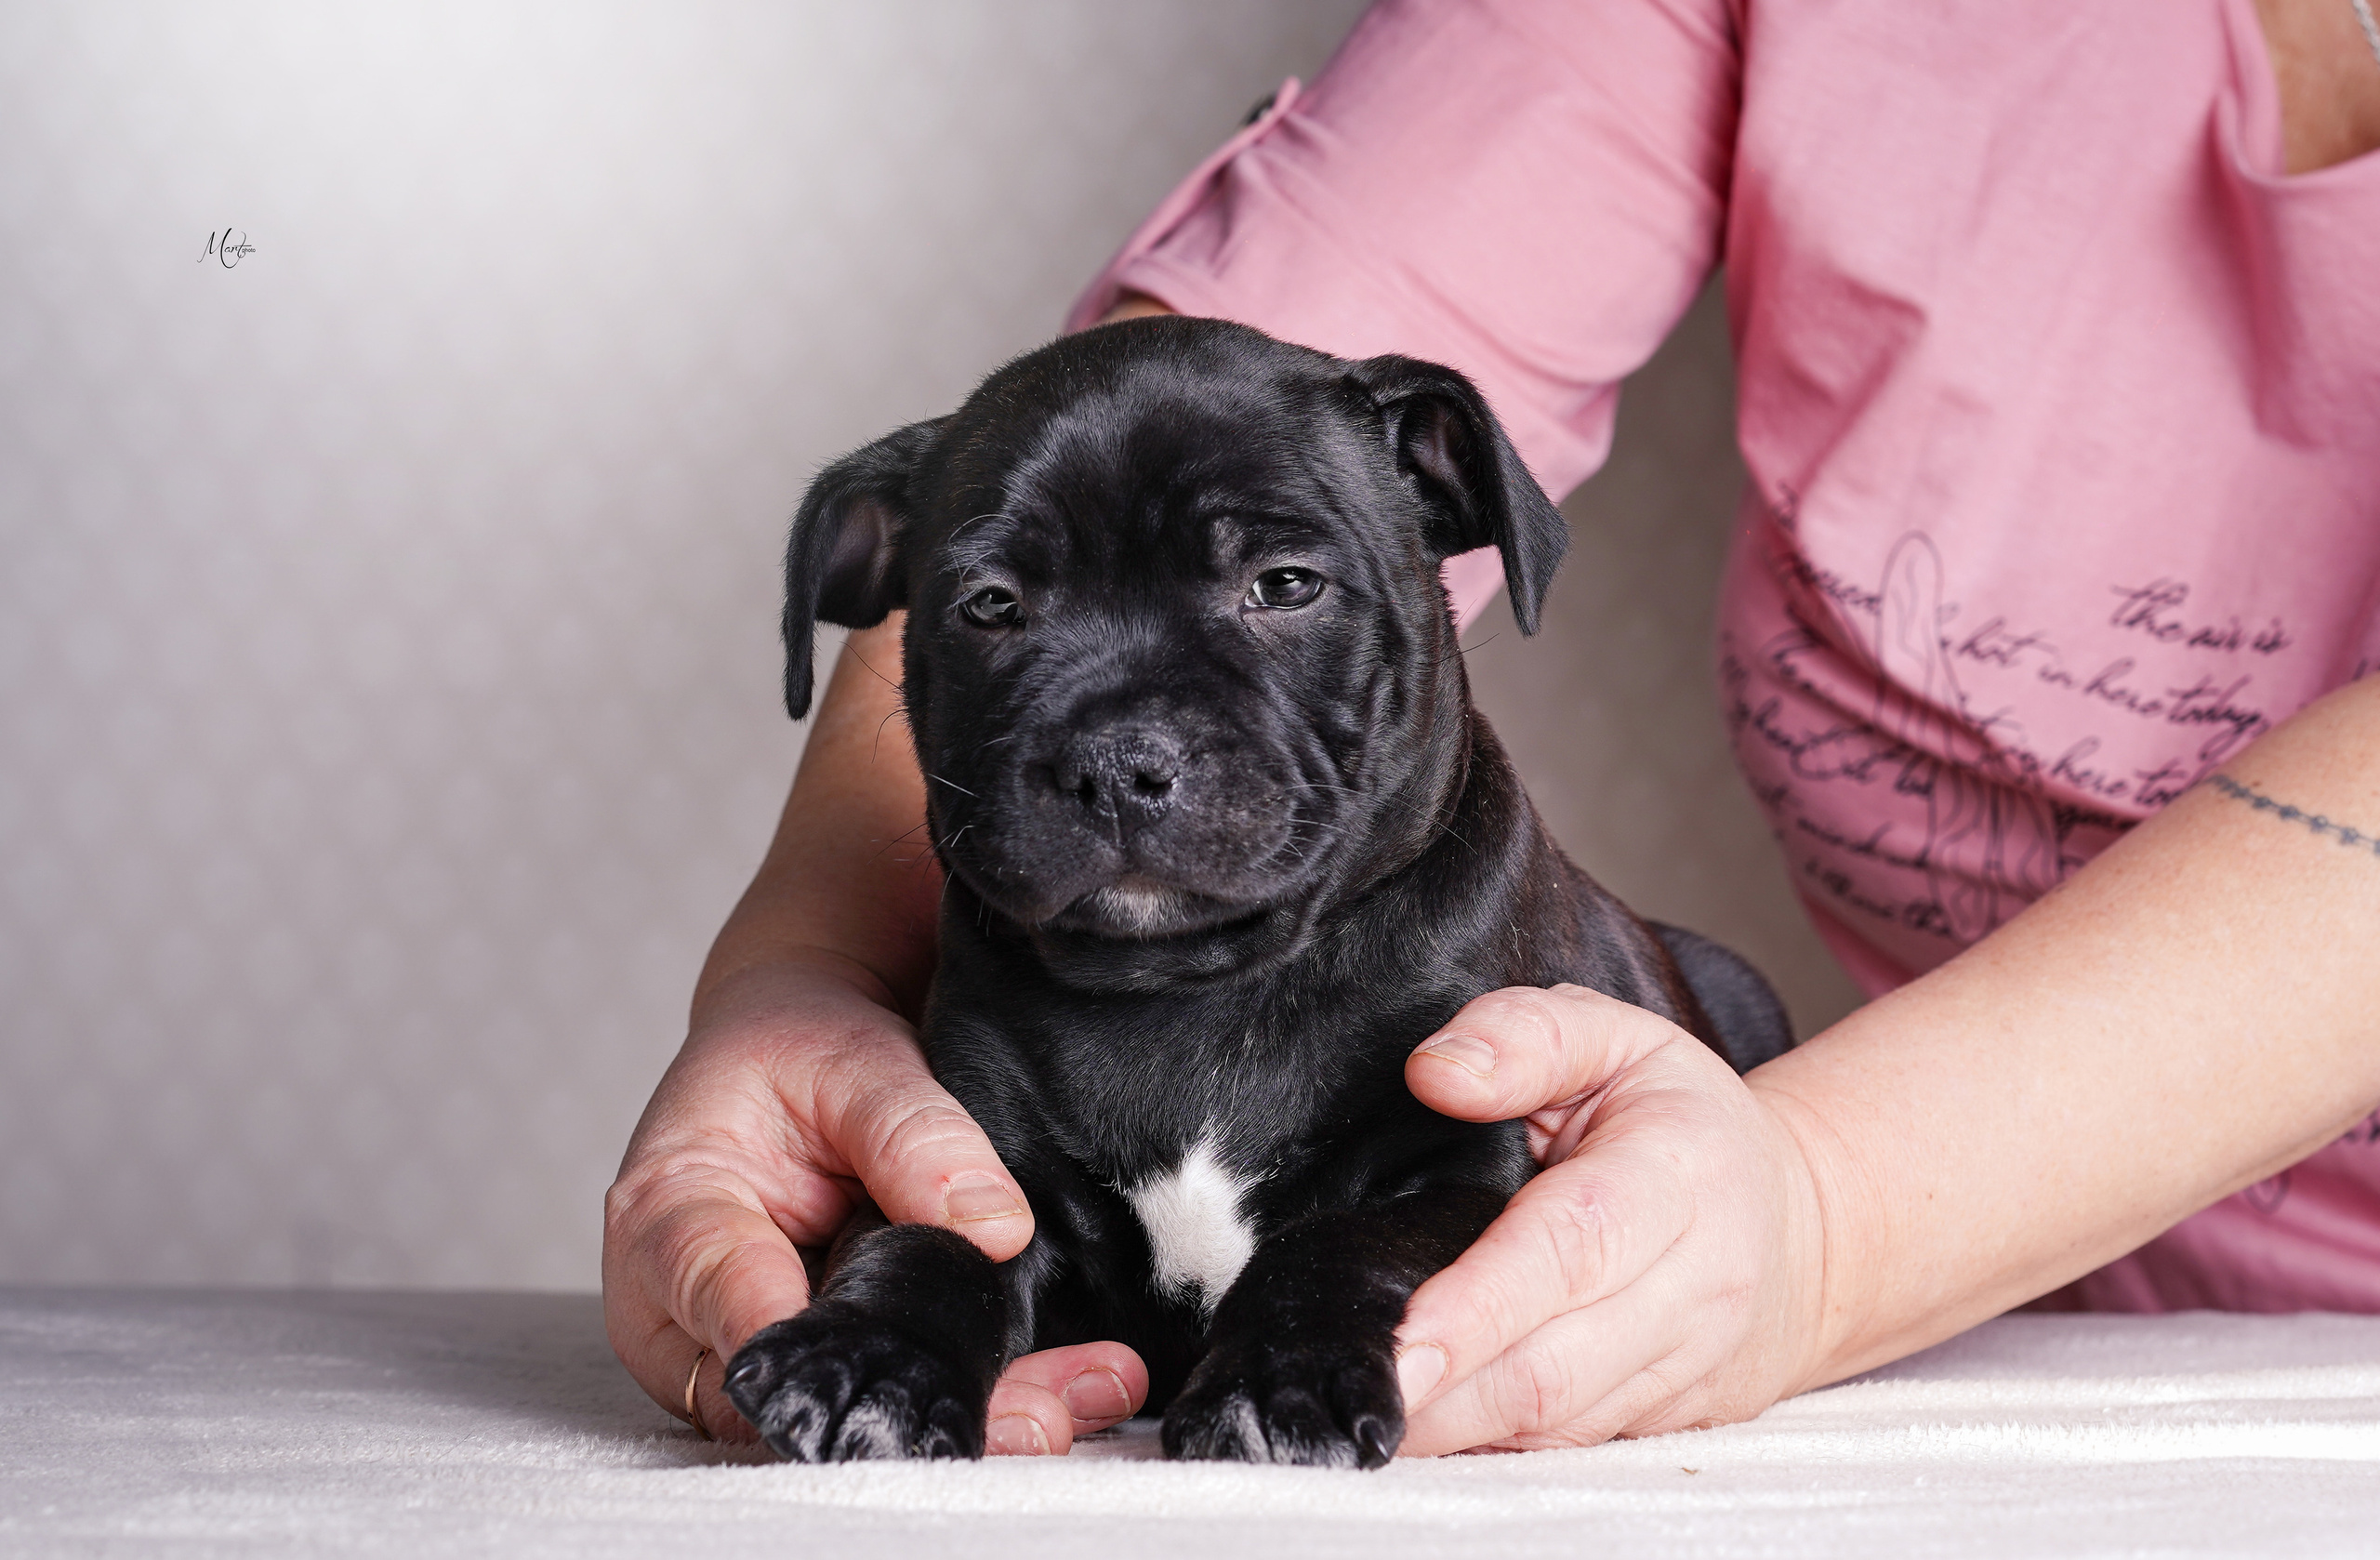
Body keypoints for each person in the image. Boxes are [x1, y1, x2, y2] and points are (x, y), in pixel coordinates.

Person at [604, 0, 2380, 1457]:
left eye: (1274, 590)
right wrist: (809, 978)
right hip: (2024, 1349)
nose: (1134, 740)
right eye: (1000, 613)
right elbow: (1177, 420)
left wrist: (1811, 1215)